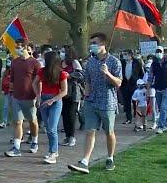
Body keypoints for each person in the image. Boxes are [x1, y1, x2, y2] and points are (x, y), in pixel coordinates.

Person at [68, 32, 122, 174]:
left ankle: (110, 158)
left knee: (109, 132)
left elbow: (119, 83)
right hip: (91, 101)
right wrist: (86, 95)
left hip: (107, 102)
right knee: (90, 131)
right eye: (91, 43)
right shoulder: (90, 62)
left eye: (95, 43)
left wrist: (108, 74)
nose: (92, 46)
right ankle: (85, 161)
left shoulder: (114, 61)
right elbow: (88, 81)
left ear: (103, 44)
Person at [5, 37, 41, 157]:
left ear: (26, 48)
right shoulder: (15, 62)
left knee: (32, 121)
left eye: (19, 47)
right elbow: (12, 80)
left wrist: (38, 96)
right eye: (16, 47)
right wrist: (10, 93)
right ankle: (16, 147)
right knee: (18, 122)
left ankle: (35, 141)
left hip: (30, 97)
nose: (17, 49)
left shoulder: (35, 63)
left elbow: (39, 81)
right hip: (16, 97)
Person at [33, 50, 68, 164]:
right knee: (48, 128)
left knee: (52, 127)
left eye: (45, 59)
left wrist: (53, 100)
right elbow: (35, 83)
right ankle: (53, 150)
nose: (43, 61)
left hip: (56, 101)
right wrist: (38, 96)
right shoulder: (42, 71)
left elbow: (64, 91)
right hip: (43, 99)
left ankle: (53, 152)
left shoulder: (61, 74)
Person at [146, 45, 167, 135]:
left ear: (163, 52)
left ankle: (160, 126)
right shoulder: (154, 64)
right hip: (158, 88)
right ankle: (165, 125)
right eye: (157, 51)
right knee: (161, 108)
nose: (159, 53)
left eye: (160, 51)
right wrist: (148, 90)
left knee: (164, 107)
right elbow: (150, 77)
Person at [60, 45, 84, 147]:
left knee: (71, 115)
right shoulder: (60, 63)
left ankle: (72, 137)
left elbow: (81, 75)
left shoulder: (74, 63)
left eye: (63, 51)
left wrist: (69, 75)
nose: (61, 53)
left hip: (73, 92)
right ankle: (67, 136)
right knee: (64, 115)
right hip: (62, 92)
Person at [119, 49, 144, 125]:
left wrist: (140, 83)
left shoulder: (137, 62)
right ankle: (128, 118)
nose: (124, 56)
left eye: (126, 54)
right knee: (126, 102)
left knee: (135, 101)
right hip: (125, 84)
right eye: (123, 54)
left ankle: (137, 117)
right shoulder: (122, 62)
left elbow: (141, 74)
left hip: (134, 84)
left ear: (130, 55)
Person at [0, 57, 13, 129]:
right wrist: (3, 89)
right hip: (7, 91)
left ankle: (14, 121)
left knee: (14, 107)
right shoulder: (5, 72)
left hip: (14, 92)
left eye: (9, 62)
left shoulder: (16, 71)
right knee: (5, 107)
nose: (8, 63)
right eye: (7, 62)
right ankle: (4, 121)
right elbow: (3, 81)